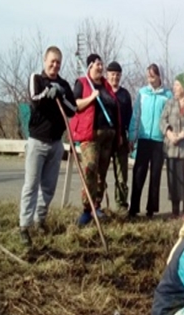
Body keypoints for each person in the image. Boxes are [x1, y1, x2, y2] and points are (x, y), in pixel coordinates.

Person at [19, 46, 77, 246]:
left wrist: (60, 93)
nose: (55, 65)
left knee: (49, 187)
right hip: (37, 141)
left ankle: (39, 220)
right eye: (52, 61)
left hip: (56, 143)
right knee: (31, 185)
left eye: (58, 62)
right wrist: (47, 92)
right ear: (45, 61)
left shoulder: (64, 84)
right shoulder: (37, 78)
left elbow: (73, 109)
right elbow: (35, 99)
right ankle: (24, 226)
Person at [71, 53, 121, 226]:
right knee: (90, 169)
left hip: (108, 136)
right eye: (97, 64)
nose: (100, 67)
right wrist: (91, 98)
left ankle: (96, 206)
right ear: (90, 66)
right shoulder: (82, 83)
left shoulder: (106, 86)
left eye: (101, 64)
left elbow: (115, 109)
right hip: (90, 135)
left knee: (101, 173)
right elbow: (75, 105)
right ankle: (87, 208)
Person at [128, 64, 172, 219]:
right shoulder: (142, 93)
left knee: (155, 174)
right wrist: (132, 136)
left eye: (153, 76)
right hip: (144, 138)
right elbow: (135, 115)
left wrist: (168, 136)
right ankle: (133, 208)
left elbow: (169, 117)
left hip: (159, 140)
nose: (150, 79)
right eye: (148, 76)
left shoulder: (167, 95)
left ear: (159, 76)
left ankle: (151, 209)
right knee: (139, 173)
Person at [160, 73, 184, 218]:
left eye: (177, 85)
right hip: (171, 148)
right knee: (173, 181)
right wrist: (169, 133)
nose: (174, 88)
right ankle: (174, 211)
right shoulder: (170, 103)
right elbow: (162, 120)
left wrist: (182, 134)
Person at [106, 61, 133, 211]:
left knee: (121, 176)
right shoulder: (102, 91)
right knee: (100, 176)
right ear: (107, 75)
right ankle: (98, 206)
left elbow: (130, 118)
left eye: (117, 75)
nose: (115, 77)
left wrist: (128, 138)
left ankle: (122, 206)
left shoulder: (125, 95)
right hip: (105, 139)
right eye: (112, 74)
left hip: (121, 139)